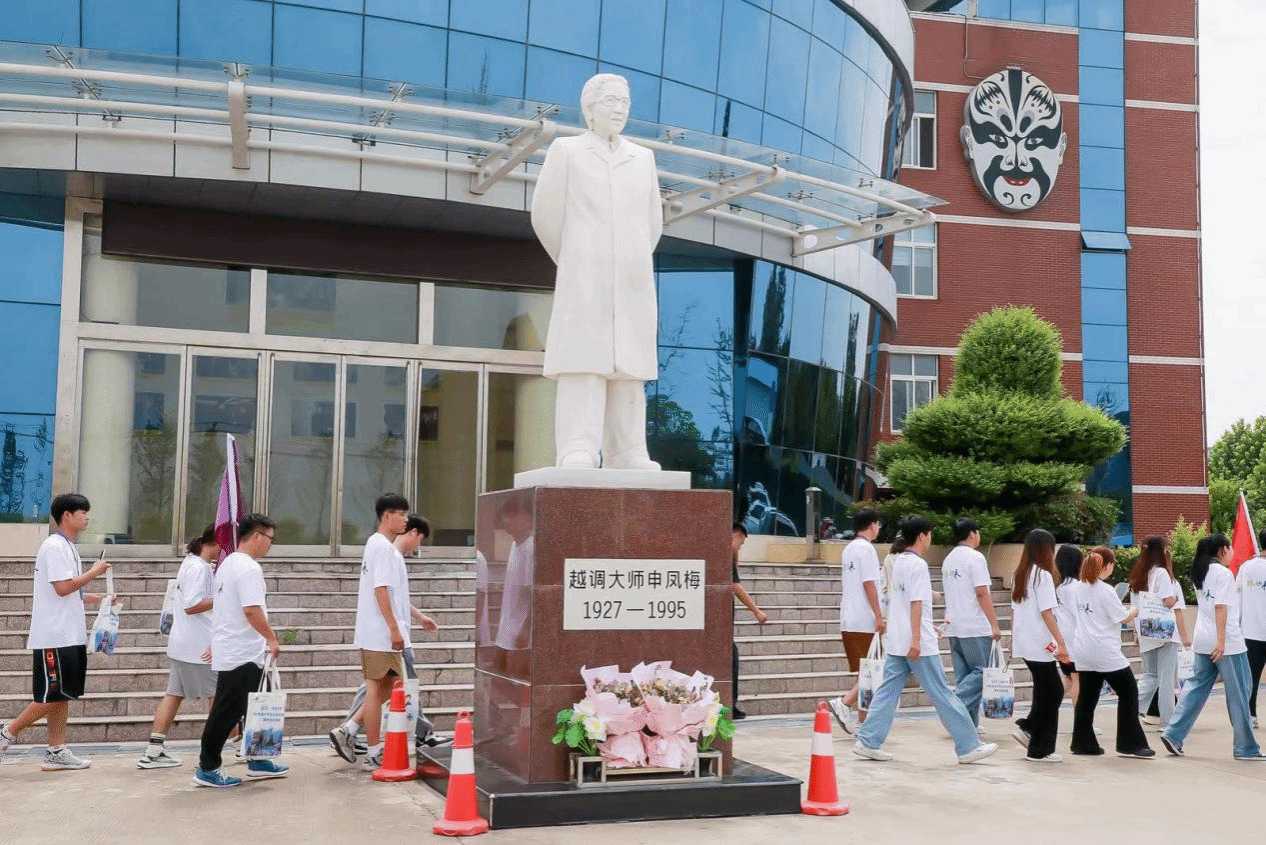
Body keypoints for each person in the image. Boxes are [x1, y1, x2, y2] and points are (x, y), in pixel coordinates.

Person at [530, 72, 664, 470]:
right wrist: (577, 258)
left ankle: (627, 450)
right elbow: (546, 216)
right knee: (583, 364)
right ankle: (578, 447)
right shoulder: (567, 150)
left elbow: (652, 222)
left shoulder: (643, 158)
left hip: (632, 279)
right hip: (584, 276)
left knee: (629, 369)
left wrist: (629, 258)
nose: (619, 108)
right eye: (610, 101)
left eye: (624, 102)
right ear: (588, 108)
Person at [853, 516, 997, 764]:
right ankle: (968, 745)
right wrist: (918, 638)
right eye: (929, 535)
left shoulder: (899, 561)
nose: (930, 539)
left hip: (898, 640)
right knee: (942, 693)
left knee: (888, 691)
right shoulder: (918, 565)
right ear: (922, 536)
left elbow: (902, 602)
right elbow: (916, 602)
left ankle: (868, 740)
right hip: (917, 644)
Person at [0, 493, 110, 770]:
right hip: (54, 635)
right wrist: (94, 572)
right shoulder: (54, 546)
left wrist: (99, 599)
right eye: (82, 512)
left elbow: (72, 591)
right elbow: (62, 588)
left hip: (69, 634)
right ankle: (7, 732)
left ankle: (56, 750)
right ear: (67, 516)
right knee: (51, 695)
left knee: (63, 695)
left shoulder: (68, 546)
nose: (87, 518)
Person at [329, 514, 449, 762]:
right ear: (412, 533)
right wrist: (394, 629)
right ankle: (360, 738)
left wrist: (419, 617)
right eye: (420, 539)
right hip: (389, 636)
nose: (418, 545)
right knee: (384, 687)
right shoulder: (388, 553)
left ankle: (349, 730)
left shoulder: (390, 554)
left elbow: (396, 598)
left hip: (391, 633)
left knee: (386, 686)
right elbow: (382, 592)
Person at [193, 514, 286, 787]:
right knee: (226, 713)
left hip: (238, 649)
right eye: (270, 539)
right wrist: (272, 639)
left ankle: (259, 758)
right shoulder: (248, 569)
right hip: (241, 653)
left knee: (254, 708)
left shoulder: (228, 563)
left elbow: (225, 608)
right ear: (257, 536)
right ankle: (207, 767)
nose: (270, 544)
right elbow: (251, 610)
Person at [1160, 534, 1266, 760]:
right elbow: (1221, 607)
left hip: (1203, 639)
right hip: (1226, 643)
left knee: (1195, 688)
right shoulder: (1223, 573)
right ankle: (1246, 748)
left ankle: (1173, 733)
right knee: (1240, 693)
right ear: (1223, 549)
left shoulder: (1200, 571)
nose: (1232, 553)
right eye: (1230, 548)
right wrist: (1222, 641)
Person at [139, 525, 220, 768]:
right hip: (199, 647)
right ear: (216, 542)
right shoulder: (199, 568)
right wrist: (224, 597)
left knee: (174, 695)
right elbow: (192, 605)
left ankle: (154, 751)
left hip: (184, 643)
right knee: (219, 699)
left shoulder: (193, 562)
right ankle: (233, 746)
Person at [1069, 548, 1153, 758]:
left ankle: (1082, 743)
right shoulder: (1105, 590)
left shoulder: (1077, 588)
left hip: (1083, 649)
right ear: (1106, 566)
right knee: (1128, 692)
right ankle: (1130, 744)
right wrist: (1134, 610)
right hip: (1104, 650)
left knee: (1087, 697)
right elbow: (1121, 617)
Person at [1010, 528, 1070, 762]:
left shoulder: (1020, 574)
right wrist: (1061, 642)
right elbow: (1047, 612)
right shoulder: (1042, 576)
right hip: (1040, 643)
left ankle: (1032, 732)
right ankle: (1040, 748)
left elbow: (1016, 611)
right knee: (1053, 691)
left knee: (1046, 690)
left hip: (1025, 642)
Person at [940, 517, 1001, 730]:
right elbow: (982, 592)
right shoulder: (975, 558)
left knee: (965, 676)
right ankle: (952, 703)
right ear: (972, 534)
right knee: (983, 672)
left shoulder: (949, 559)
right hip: (975, 625)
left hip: (954, 625)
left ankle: (968, 725)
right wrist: (994, 624)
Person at [828, 508, 885, 734]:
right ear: (871, 525)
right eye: (878, 524)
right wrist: (879, 615)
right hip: (864, 620)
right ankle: (844, 703)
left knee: (865, 672)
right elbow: (869, 583)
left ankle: (863, 722)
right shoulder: (867, 550)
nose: (878, 528)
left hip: (849, 619)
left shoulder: (849, 549)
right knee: (871, 671)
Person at [1131, 535, 1191, 731]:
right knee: (1166, 680)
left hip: (1146, 630)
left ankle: (1130, 709)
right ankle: (1167, 722)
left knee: (1150, 675)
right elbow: (1169, 601)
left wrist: (1136, 632)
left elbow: (1135, 607)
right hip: (1164, 631)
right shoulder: (1162, 573)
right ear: (1160, 551)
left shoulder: (1139, 574)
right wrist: (1175, 597)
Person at [731, 523, 767, 720]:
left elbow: (735, 571)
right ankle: (730, 705)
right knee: (731, 656)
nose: (740, 548)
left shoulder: (725, 557)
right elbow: (735, 585)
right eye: (741, 543)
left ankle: (730, 704)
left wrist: (735, 553)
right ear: (733, 537)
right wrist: (757, 611)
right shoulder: (723, 556)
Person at [1236, 528, 1266, 729]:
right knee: (1251, 678)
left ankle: (1250, 714)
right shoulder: (1247, 567)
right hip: (1252, 632)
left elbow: (1237, 596)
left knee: (1251, 678)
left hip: (1251, 632)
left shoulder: (1246, 567)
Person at [1053, 544, 1083, 705]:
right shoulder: (1075, 587)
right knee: (1078, 679)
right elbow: (1079, 615)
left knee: (1069, 678)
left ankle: (1046, 709)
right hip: (1075, 641)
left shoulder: (1057, 587)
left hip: (1061, 640)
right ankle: (1080, 718)